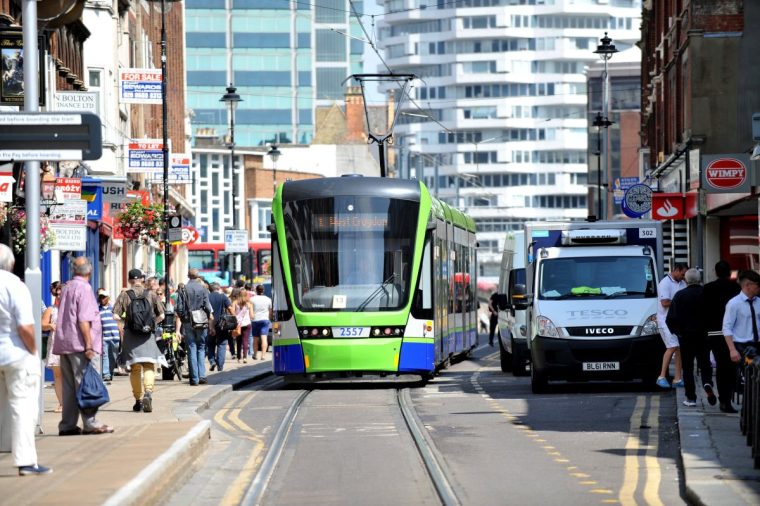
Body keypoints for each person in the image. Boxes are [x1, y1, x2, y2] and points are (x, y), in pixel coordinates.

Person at [0, 244, 53, 475]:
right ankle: (25, 462)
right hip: (15, 354)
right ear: (11, 263)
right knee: (21, 405)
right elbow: (25, 326)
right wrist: (33, 351)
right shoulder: (14, 285)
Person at [53, 256, 113, 435]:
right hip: (80, 345)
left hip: (65, 343)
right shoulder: (84, 288)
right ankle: (90, 423)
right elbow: (84, 319)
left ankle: (68, 425)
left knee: (69, 388)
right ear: (90, 270)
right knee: (85, 384)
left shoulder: (67, 287)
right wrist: (88, 345)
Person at [112, 269, 166, 413]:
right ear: (142, 279)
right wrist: (152, 323)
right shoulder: (151, 294)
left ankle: (138, 400)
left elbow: (115, 316)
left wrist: (126, 322)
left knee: (135, 369)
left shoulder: (124, 295)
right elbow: (162, 314)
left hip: (131, 335)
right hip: (147, 335)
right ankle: (148, 391)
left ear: (129, 280)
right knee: (149, 365)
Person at [666, 268, 713, 407]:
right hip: (704, 335)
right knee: (705, 364)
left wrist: (679, 332)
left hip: (686, 336)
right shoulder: (707, 294)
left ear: (686, 280)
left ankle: (691, 398)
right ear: (699, 279)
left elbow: (671, 319)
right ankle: (707, 383)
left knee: (687, 368)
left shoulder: (680, 295)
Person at [703, 260, 741, 413]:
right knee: (731, 367)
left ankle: (723, 399)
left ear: (716, 272)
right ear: (729, 272)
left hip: (714, 332)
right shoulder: (736, 288)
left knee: (720, 366)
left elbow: (702, 311)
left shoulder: (707, 288)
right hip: (733, 332)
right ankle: (728, 399)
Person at [722, 269, 760, 413]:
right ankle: (748, 411)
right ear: (748, 285)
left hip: (757, 344)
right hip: (742, 346)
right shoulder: (734, 304)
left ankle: (750, 409)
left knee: (754, 377)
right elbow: (727, 328)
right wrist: (732, 349)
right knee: (751, 376)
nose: (759, 288)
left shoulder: (759, 302)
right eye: (757, 285)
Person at [176, 269, 213, 385]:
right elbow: (207, 306)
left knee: (191, 347)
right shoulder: (203, 289)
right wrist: (208, 317)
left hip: (187, 321)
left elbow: (179, 308)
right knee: (201, 347)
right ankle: (202, 376)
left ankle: (194, 378)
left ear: (188, 276)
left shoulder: (184, 289)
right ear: (198, 277)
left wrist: (183, 318)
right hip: (201, 321)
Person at [655, 262, 688, 388]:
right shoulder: (665, 283)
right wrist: (680, 302)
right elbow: (664, 302)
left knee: (679, 348)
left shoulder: (683, 283)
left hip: (676, 321)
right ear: (676, 270)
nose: (683, 276)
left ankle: (677, 379)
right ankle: (661, 376)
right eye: (682, 273)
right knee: (672, 346)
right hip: (665, 320)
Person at [41, 281, 63, 412]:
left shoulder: (72, 308)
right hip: (55, 343)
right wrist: (50, 326)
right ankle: (62, 403)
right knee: (58, 375)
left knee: (70, 375)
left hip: (70, 344)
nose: (59, 297)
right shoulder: (51, 309)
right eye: (57, 294)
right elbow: (42, 324)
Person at [209, 283, 233, 372]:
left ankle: (212, 361)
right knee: (222, 344)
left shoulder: (207, 296)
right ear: (218, 288)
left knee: (210, 343)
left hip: (209, 324)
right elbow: (230, 308)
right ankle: (220, 365)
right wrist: (234, 317)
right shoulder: (223, 297)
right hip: (221, 324)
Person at [98, 290, 121, 383]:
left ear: (108, 298)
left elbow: (119, 323)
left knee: (113, 356)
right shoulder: (97, 310)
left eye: (104, 297)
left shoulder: (114, 309)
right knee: (105, 356)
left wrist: (121, 335)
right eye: (100, 297)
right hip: (104, 337)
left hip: (115, 337)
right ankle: (106, 374)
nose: (102, 299)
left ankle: (110, 372)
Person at [251, 284, 272, 360]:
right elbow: (270, 311)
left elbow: (251, 310)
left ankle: (255, 354)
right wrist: (270, 318)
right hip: (265, 320)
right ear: (263, 290)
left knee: (255, 339)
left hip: (255, 320)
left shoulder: (252, 299)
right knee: (264, 338)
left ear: (256, 290)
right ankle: (263, 355)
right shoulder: (268, 299)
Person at [232, 288, 253, 363]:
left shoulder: (235, 302)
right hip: (247, 323)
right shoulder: (249, 303)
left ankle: (239, 357)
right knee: (245, 340)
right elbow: (252, 315)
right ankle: (245, 357)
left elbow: (233, 313)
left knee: (238, 341)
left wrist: (237, 317)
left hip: (238, 324)